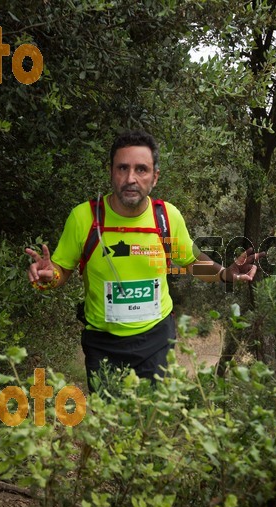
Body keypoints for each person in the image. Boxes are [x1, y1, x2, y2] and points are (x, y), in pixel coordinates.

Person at [24, 130, 262, 393]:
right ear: (111, 172)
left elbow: (191, 262)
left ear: (155, 177)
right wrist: (49, 276)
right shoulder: (85, 218)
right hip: (103, 343)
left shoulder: (166, 218)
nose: (130, 179)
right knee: (108, 427)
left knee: (151, 423)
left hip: (156, 339)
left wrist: (226, 274)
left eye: (141, 169)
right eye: (122, 168)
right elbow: (61, 271)